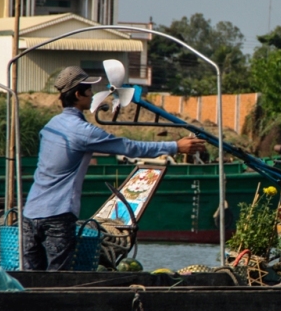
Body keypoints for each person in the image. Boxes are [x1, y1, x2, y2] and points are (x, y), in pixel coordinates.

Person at [22, 66, 205, 271]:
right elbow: (129, 147)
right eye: (89, 90)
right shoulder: (83, 132)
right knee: (57, 278)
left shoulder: (49, 126)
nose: (93, 95)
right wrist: (174, 147)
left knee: (30, 278)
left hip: (30, 213)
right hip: (57, 214)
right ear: (77, 94)